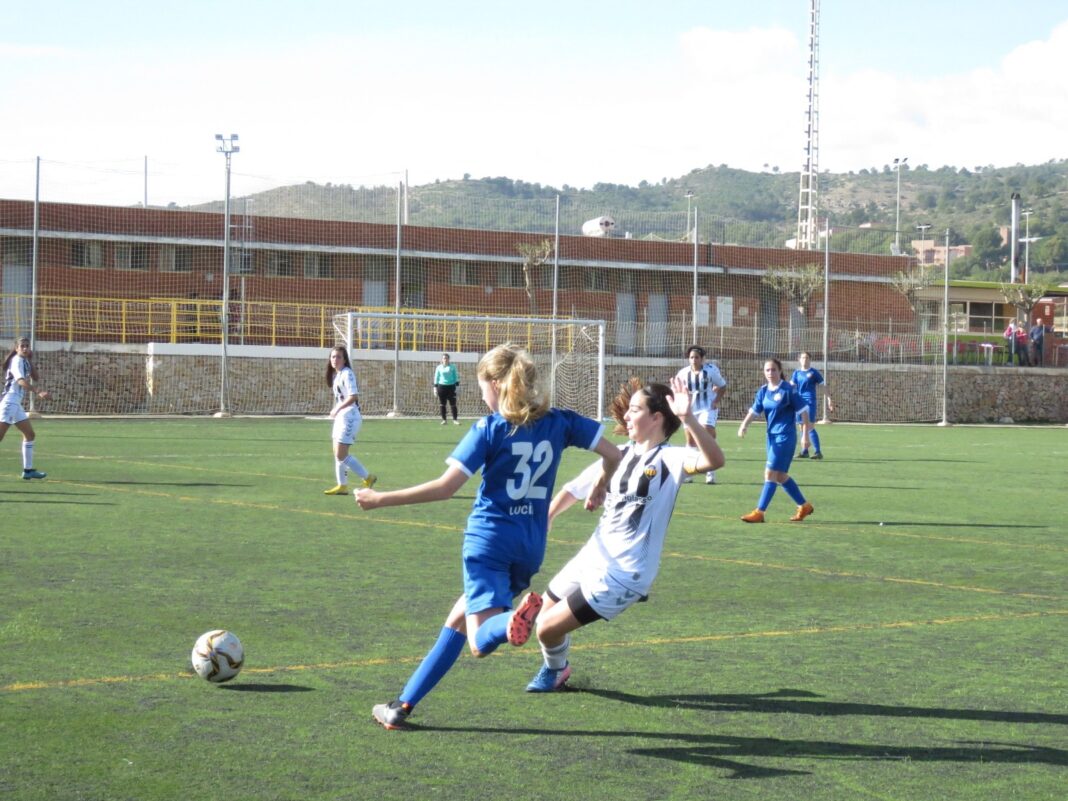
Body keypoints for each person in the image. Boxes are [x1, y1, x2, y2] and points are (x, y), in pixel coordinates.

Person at [357, 342, 622, 730]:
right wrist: (601, 484)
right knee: (458, 618)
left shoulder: (490, 428)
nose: (480, 393)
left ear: (496, 383)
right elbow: (614, 455)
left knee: (480, 641)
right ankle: (401, 706)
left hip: (489, 542)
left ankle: (514, 618)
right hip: (530, 545)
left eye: (482, 384)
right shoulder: (560, 421)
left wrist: (381, 499)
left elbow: (447, 487)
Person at [524, 376, 725, 692]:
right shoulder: (618, 454)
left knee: (545, 629)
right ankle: (558, 667)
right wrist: (546, 518)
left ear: (656, 418)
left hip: (624, 573)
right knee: (544, 616)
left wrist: (689, 420)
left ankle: (555, 671)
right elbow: (572, 490)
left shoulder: (670, 459)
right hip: (592, 555)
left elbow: (716, 460)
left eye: (635, 410)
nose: (626, 416)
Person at [737, 358, 814, 524]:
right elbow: (754, 410)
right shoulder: (763, 391)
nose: (770, 373)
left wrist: (805, 436)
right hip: (771, 437)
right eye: (767, 370)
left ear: (780, 371)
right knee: (780, 476)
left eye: (773, 370)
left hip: (785, 436)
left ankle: (760, 512)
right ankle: (804, 506)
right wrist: (744, 425)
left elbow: (804, 411)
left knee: (770, 473)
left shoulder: (788, 389)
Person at [322, 346, 377, 495]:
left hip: (350, 417)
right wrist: (337, 411)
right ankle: (342, 485)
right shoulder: (337, 375)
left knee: (341, 454)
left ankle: (368, 477)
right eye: (333, 357)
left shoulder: (347, 374)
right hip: (342, 417)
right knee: (336, 452)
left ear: (345, 359)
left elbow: (353, 396)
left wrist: (337, 409)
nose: (335, 359)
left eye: (339, 357)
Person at [674, 345, 726, 484]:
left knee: (707, 434)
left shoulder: (709, 371)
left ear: (702, 359)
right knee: (690, 441)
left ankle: (710, 473)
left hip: (707, 408)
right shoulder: (683, 373)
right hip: (690, 410)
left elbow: (722, 386)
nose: (694, 360)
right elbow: (676, 390)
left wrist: (715, 401)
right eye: (691, 357)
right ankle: (689, 472)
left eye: (696, 357)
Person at [1, 336, 51, 480]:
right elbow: (21, 381)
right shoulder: (16, 361)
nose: (24, 348)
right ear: (16, 348)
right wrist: (38, 392)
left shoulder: (24, 361)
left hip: (15, 405)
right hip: (9, 403)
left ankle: (28, 471)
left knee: (30, 435)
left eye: (27, 346)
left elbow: (36, 377)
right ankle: (28, 471)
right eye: (22, 346)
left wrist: (30, 359)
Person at [790, 351, 833, 459]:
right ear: (799, 360)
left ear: (810, 360)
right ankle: (805, 451)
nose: (805, 360)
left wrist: (829, 398)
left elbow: (823, 386)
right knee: (801, 427)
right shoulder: (796, 373)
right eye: (803, 358)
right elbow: (791, 386)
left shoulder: (814, 373)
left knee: (809, 426)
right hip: (798, 402)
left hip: (809, 402)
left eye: (807, 358)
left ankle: (818, 452)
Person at [433, 352, 460, 425]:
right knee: (442, 404)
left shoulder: (452, 367)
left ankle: (455, 420)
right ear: (442, 360)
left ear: (449, 359)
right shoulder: (439, 367)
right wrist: (435, 388)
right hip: (441, 387)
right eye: (444, 358)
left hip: (451, 387)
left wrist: (457, 386)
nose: (445, 360)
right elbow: (436, 377)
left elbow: (456, 376)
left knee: (453, 404)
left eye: (447, 358)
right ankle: (444, 420)